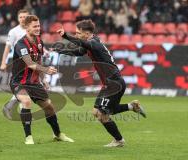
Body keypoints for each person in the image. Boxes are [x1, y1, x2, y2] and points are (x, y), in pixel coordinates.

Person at [55, 19, 146, 147]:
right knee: (104, 111)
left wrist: (65, 35)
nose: (76, 36)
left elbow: (81, 44)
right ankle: (131, 107)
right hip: (112, 83)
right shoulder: (91, 44)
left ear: (86, 33)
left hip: (113, 83)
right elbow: (78, 52)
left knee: (100, 113)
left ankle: (119, 141)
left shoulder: (94, 44)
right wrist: (58, 51)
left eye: (78, 33)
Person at [10, 15, 74, 144]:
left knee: (49, 108)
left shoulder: (39, 41)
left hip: (34, 82)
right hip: (19, 82)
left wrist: (43, 79)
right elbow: (29, 63)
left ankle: (58, 134)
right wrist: (46, 70)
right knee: (26, 101)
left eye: (38, 26)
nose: (38, 28)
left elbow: (38, 61)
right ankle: (28, 137)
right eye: (35, 26)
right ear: (27, 27)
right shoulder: (21, 44)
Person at [0, 9, 29, 120]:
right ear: (18, 18)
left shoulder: (32, 29)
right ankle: (23, 111)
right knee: (25, 87)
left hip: (31, 63)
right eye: (20, 17)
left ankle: (11, 106)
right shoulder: (14, 32)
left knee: (28, 87)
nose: (22, 19)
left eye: (25, 17)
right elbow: (7, 48)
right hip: (19, 64)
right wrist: (3, 63)